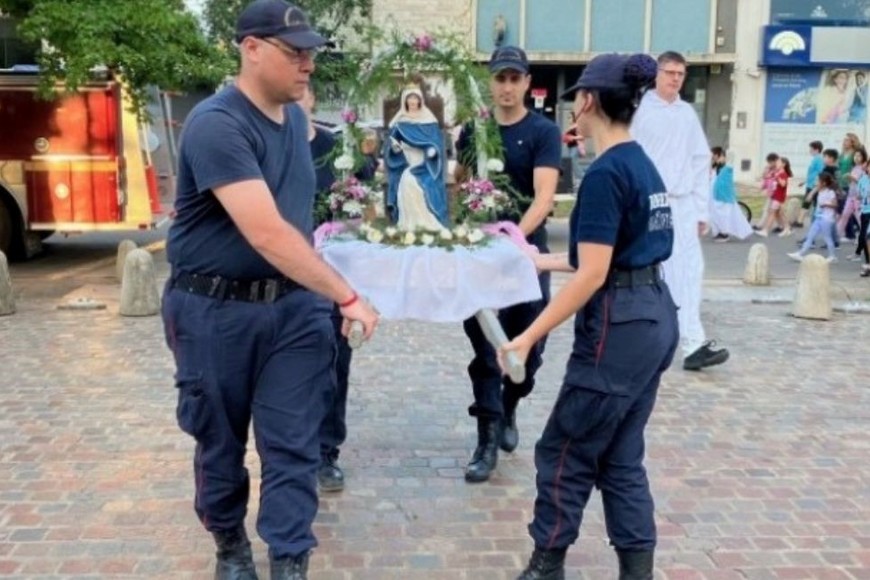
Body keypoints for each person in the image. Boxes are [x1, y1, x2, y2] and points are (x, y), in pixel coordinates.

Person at [161, 2, 379, 579]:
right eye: (295, 52)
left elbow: (298, 224)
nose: (308, 63)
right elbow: (264, 230)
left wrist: (319, 293)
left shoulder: (297, 124)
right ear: (250, 48)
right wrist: (345, 293)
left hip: (293, 312)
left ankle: (289, 560)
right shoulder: (217, 123)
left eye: (311, 51)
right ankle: (230, 546)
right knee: (219, 440)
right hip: (214, 310)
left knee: (293, 444)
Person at [500, 52, 679, 580]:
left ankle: (545, 566)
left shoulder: (603, 174)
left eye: (577, 97)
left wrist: (527, 336)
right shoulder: (640, 163)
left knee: (564, 449)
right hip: (652, 315)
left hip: (618, 327)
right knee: (621, 457)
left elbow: (592, 275)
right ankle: (637, 572)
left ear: (589, 102)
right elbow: (607, 252)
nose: (573, 107)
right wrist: (538, 259)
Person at [454, 46, 561, 483]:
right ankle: (486, 437)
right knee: (485, 349)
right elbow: (461, 186)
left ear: (526, 82)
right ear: (491, 82)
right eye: (500, 79)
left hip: (525, 257)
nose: (507, 87)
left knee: (528, 350)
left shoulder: (542, 131)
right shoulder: (473, 132)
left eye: (515, 79)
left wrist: (513, 236)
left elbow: (544, 196)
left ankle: (511, 404)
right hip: (480, 258)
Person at [631, 50, 729, 372]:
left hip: (684, 201)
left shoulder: (687, 113)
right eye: (670, 72)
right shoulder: (640, 110)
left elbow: (700, 161)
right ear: (657, 74)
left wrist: (701, 210)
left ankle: (693, 343)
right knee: (656, 272)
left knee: (690, 271)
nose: (675, 79)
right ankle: (648, 340)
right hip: (652, 202)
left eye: (680, 74)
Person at [299, 85, 354, 494]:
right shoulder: (267, 143)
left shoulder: (335, 146)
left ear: (313, 98)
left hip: (333, 273)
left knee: (336, 363)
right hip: (286, 271)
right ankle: (293, 447)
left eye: (305, 91)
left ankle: (326, 451)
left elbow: (359, 200)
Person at [384, 86, 449, 231]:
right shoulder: (400, 121)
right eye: (409, 98)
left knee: (414, 181)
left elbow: (436, 142)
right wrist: (394, 147)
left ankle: (427, 223)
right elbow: (391, 142)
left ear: (420, 100)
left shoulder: (429, 120)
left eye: (415, 98)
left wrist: (433, 150)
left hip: (427, 164)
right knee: (406, 180)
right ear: (405, 101)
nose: (413, 101)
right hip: (405, 161)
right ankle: (410, 225)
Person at [788, 172, 839, 263]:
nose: (815, 181)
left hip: (827, 219)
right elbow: (808, 198)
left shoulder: (830, 192)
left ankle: (832, 256)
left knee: (827, 238)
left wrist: (826, 204)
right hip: (818, 217)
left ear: (823, 183)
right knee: (810, 236)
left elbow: (835, 204)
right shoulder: (819, 190)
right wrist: (814, 190)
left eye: (817, 180)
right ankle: (800, 254)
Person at [708, 146, 752, 242]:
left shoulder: (728, 166)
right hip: (718, 195)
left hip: (725, 196)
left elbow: (731, 154)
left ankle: (725, 234)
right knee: (717, 214)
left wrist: (724, 154)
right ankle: (720, 232)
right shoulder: (717, 166)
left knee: (725, 215)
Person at [755, 156, 793, 237]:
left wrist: (777, 177)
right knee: (779, 214)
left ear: (783, 164)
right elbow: (766, 177)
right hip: (774, 195)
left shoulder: (783, 174)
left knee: (772, 213)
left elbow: (783, 184)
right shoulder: (777, 172)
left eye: (778, 162)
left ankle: (765, 231)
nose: (776, 164)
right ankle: (787, 229)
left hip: (778, 197)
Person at [795, 141, 824, 228]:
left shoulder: (819, 159)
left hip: (814, 185)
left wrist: (816, 184)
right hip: (810, 184)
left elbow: (820, 172)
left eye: (811, 149)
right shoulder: (815, 159)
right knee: (808, 202)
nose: (809, 150)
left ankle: (801, 221)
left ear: (817, 149)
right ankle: (800, 221)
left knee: (809, 202)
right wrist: (804, 182)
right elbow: (812, 173)